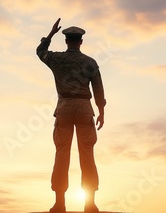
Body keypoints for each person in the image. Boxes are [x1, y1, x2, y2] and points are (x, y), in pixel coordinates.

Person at [36, 18, 106, 213]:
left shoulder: (57, 59)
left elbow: (40, 52)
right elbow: (98, 89)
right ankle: (90, 203)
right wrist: (101, 111)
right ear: (81, 41)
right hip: (84, 108)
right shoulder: (90, 62)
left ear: (66, 41)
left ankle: (59, 203)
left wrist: (50, 35)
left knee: (62, 153)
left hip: (65, 107)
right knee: (87, 154)